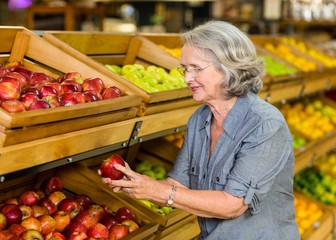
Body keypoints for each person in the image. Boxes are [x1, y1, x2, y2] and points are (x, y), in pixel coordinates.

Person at [100, 20, 299, 240]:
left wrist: (159, 191)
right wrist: (134, 183)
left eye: (196, 68)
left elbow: (233, 205)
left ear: (228, 68)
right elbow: (178, 184)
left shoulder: (265, 124)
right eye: (184, 69)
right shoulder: (200, 119)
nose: (187, 78)